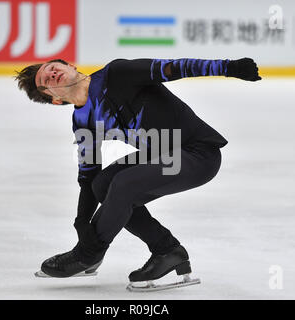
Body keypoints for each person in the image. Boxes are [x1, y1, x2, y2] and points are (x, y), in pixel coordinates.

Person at [15, 57, 261, 287]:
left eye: (52, 67)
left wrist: (229, 68)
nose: (51, 74)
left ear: (70, 67)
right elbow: (88, 176)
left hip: (197, 153)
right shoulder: (82, 119)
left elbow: (171, 68)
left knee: (124, 183)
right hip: (161, 155)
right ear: (55, 100)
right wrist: (82, 224)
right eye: (45, 81)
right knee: (102, 184)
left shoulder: (116, 74)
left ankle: (87, 255)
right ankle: (166, 250)